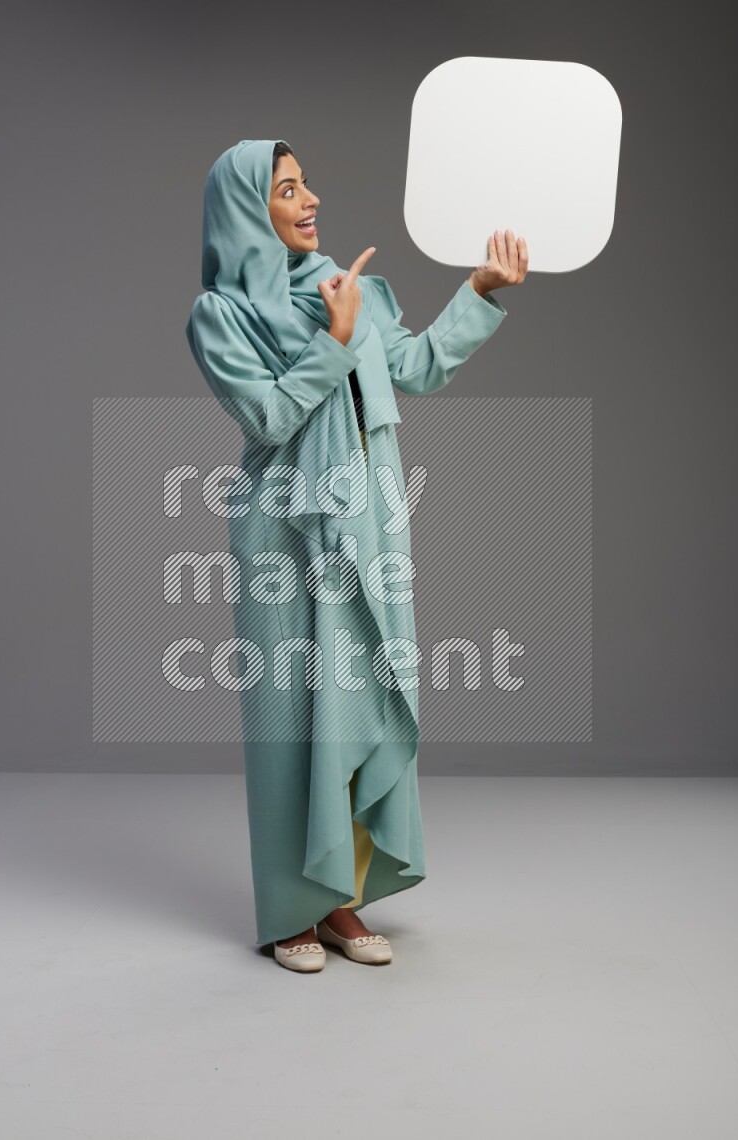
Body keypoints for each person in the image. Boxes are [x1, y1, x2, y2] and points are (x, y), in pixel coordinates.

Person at [185, 138, 528, 973]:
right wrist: (333, 341)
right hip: (285, 533)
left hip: (372, 525)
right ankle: (288, 912)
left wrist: (478, 291)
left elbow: (415, 369)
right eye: (287, 190)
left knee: (363, 699)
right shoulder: (220, 316)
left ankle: (339, 897)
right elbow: (267, 420)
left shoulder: (353, 289)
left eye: (308, 185)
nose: (310, 202)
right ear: (244, 210)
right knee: (292, 717)